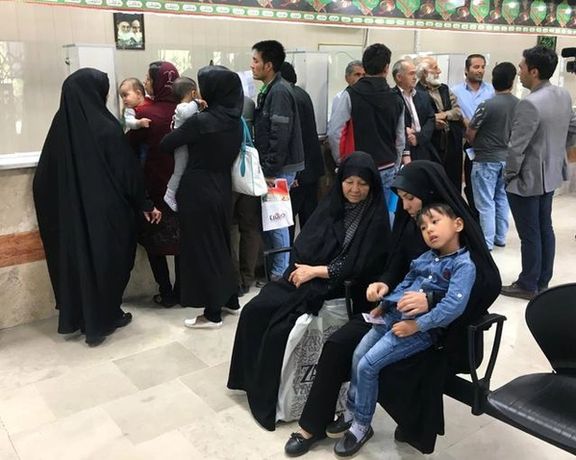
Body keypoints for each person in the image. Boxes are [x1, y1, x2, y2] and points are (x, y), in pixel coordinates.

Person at [284, 161, 500, 457]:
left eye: (410, 198)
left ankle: (368, 421)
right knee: (338, 344)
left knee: (375, 363)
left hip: (436, 328)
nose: (406, 206)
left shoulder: (452, 231)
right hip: (393, 309)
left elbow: (484, 285)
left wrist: (430, 300)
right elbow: (398, 266)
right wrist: (383, 286)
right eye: (402, 198)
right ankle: (314, 425)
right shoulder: (410, 223)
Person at [228, 152, 391, 431]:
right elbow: (305, 242)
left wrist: (316, 271)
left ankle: (268, 395)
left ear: (372, 186)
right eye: (349, 182)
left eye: (362, 184)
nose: (354, 189)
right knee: (255, 309)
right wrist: (303, 269)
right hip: (307, 275)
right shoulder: (332, 205)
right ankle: (247, 380)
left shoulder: (375, 219)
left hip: (339, 286)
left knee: (279, 329)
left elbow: (358, 265)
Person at [334, 203, 475, 456]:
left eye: (435, 222)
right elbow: (406, 283)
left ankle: (361, 425)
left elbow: (453, 306)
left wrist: (417, 325)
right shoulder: (425, 258)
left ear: (458, 224)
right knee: (357, 355)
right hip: (392, 318)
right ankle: (353, 409)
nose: (429, 230)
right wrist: (384, 305)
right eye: (423, 227)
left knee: (367, 365)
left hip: (418, 331)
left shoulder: (463, 266)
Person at [33, 68, 160, 347]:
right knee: (110, 262)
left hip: (71, 220)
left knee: (77, 265)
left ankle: (80, 317)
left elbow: (42, 180)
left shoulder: (60, 128)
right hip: (107, 215)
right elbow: (127, 173)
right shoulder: (106, 127)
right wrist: (144, 203)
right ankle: (106, 316)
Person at [160, 65, 243, 328]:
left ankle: (212, 314)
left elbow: (166, 144)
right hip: (222, 187)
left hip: (198, 189)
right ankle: (231, 299)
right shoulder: (235, 120)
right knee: (220, 245)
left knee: (204, 250)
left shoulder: (202, 121)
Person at [501, 46, 576, 300]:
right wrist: (558, 150)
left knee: (529, 233)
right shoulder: (563, 95)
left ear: (534, 72)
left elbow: (517, 147)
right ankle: (543, 280)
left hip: (527, 178)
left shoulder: (529, 103)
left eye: (522, 67)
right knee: (545, 228)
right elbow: (572, 126)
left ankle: (527, 284)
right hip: (551, 173)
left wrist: (509, 174)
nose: (519, 71)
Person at [127, 61, 181, 308]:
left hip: (155, 188)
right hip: (182, 190)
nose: (146, 83)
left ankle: (166, 292)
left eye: (148, 79)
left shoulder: (145, 113)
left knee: (154, 244)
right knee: (182, 243)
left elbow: (128, 145)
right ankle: (182, 290)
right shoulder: (188, 110)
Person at [251, 40, 305, 281]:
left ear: (269, 65)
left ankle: (280, 273)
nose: (252, 65)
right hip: (277, 166)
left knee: (277, 220)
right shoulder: (271, 89)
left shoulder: (280, 92)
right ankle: (277, 268)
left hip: (279, 168)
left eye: (256, 61)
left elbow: (279, 134)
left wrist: (270, 169)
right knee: (273, 219)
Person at [327, 43, 406, 207]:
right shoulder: (397, 98)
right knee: (383, 213)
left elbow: (335, 132)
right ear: (386, 68)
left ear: (365, 66)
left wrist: (342, 161)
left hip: (357, 166)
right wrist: (396, 163)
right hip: (387, 165)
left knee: (356, 213)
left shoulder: (350, 94)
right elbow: (400, 138)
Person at [466, 62, 518, 250]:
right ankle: (500, 237)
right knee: (502, 199)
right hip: (508, 159)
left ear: (494, 79)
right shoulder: (519, 104)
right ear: (512, 81)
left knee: (485, 202)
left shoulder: (487, 105)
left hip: (485, 159)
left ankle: (486, 242)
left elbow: (471, 132)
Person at [279, 62, 325, 240]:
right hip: (310, 168)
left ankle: (291, 256)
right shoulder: (301, 93)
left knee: (288, 221)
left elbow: (291, 137)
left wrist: (294, 173)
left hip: (298, 171)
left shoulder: (286, 97)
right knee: (309, 220)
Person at [452, 54, 495, 214]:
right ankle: (474, 218)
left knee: (489, 188)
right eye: (476, 67)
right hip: (468, 145)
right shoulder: (455, 91)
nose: (480, 70)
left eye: (483, 67)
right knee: (470, 185)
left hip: (489, 145)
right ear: (466, 69)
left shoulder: (491, 91)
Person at [415, 57, 464, 192]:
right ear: (425, 72)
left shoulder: (444, 89)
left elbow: (457, 111)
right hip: (431, 145)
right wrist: (432, 121)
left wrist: (444, 115)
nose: (439, 71)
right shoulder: (416, 92)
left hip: (451, 143)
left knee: (453, 183)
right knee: (434, 182)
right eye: (435, 68)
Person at [163, 77, 200, 212]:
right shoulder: (182, 107)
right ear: (193, 93)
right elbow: (186, 114)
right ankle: (169, 194)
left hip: (185, 143)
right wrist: (196, 103)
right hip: (181, 145)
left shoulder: (187, 107)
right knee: (179, 169)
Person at [391, 59, 438, 162]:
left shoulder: (423, 95)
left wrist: (419, 138)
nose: (415, 77)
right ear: (399, 77)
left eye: (415, 73)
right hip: (402, 149)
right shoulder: (391, 97)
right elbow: (391, 123)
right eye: (411, 74)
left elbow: (431, 118)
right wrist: (406, 133)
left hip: (423, 146)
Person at [119, 77, 151, 165]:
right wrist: (139, 123)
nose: (123, 99)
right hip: (139, 143)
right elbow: (129, 122)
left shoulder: (149, 99)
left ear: (138, 93)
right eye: (122, 97)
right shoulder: (130, 109)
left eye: (125, 95)